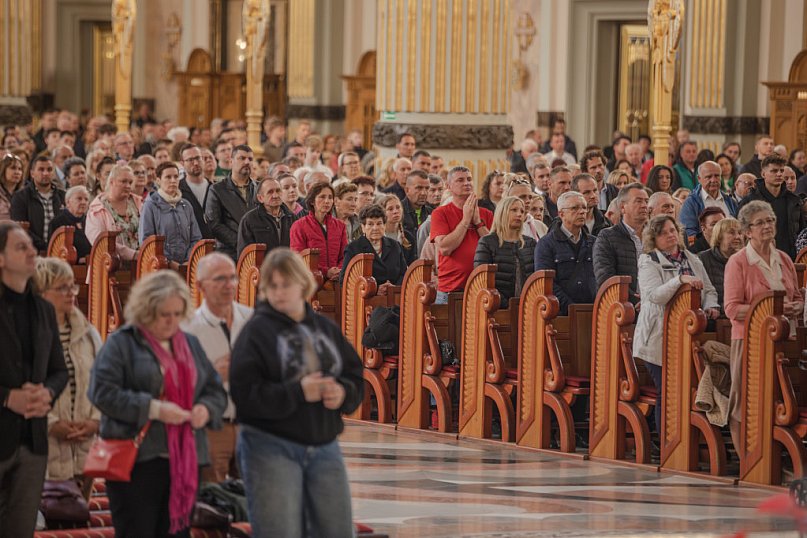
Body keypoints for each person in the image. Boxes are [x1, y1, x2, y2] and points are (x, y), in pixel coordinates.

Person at [230, 248, 364, 538]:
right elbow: (245, 395)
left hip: (324, 443)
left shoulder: (324, 327)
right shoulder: (256, 332)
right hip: (270, 446)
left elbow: (354, 374)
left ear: (303, 285)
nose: (279, 293)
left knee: (337, 530)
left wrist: (343, 393)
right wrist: (298, 391)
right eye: (272, 286)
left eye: (286, 284)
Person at [88, 270, 227, 538]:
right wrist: (154, 409)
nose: (172, 321)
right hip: (138, 460)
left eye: (178, 314)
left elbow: (214, 391)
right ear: (146, 308)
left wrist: (206, 409)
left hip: (184, 458)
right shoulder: (123, 343)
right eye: (165, 315)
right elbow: (101, 392)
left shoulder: (189, 343)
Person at [0, 222, 67, 537]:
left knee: (20, 530)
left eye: (31, 246)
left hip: (32, 440)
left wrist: (47, 393)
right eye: (21, 247)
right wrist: (7, 397)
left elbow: (58, 371)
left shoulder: (42, 309)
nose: (32, 252)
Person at [724, 201, 803, 450]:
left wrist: (797, 307)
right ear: (747, 231)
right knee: (745, 400)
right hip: (750, 341)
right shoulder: (738, 262)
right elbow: (733, 309)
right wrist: (774, 309)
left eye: (770, 221)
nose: (767, 226)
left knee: (781, 399)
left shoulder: (784, 259)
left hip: (785, 340)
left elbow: (798, 298)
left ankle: (774, 455)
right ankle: (748, 457)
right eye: (760, 222)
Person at [633, 215, 720, 435]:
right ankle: (667, 440)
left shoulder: (691, 258)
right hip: (657, 337)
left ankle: (687, 436)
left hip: (688, 334)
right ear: (654, 238)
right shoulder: (648, 260)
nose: (671, 235)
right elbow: (654, 296)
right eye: (664, 232)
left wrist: (711, 306)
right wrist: (679, 280)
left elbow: (708, 289)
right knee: (668, 388)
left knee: (689, 387)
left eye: (673, 230)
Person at [182, 253, 253, 483]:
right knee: (213, 506)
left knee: (255, 506)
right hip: (212, 428)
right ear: (201, 285)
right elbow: (177, 383)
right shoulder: (188, 328)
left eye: (233, 278)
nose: (229, 285)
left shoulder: (253, 320)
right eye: (220, 279)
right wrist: (213, 374)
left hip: (251, 428)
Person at [35, 257, 101, 494]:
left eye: (72, 286)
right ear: (41, 293)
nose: (70, 293)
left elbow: (103, 381)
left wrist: (95, 421)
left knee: (80, 522)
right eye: (62, 287)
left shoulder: (88, 333)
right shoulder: (28, 336)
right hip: (45, 447)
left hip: (84, 446)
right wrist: (52, 424)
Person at [430, 166, 494, 302]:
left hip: (481, 289)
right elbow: (445, 248)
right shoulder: (440, 213)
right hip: (450, 290)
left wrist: (478, 223)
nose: (467, 183)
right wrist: (466, 220)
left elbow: (495, 248)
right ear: (449, 186)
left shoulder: (486, 214)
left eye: (469, 179)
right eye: (460, 180)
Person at [533, 191, 597, 314]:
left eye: (584, 207)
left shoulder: (594, 243)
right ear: (561, 214)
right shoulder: (546, 244)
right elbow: (546, 283)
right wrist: (571, 308)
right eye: (575, 208)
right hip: (560, 314)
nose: (582, 211)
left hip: (593, 312)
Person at [473, 196, 536, 306]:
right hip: (496, 307)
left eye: (522, 211)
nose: (519, 214)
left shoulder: (530, 243)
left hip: (527, 307)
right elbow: (482, 280)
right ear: (502, 212)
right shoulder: (487, 242)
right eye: (514, 210)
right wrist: (506, 305)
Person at [738, 154, 804, 259]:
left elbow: (802, 232)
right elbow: (741, 233)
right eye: (774, 171)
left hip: (789, 259)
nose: (779, 174)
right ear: (763, 174)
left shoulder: (793, 201)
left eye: (781, 171)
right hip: (757, 258)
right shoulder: (749, 201)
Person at [593, 183, 649, 304]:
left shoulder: (656, 237)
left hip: (654, 306)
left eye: (646, 201)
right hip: (621, 307)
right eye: (638, 201)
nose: (644, 205)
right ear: (623, 207)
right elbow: (606, 279)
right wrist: (635, 300)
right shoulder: (607, 237)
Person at [140, 162, 202, 267]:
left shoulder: (186, 205)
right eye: (168, 177)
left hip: (187, 265)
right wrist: (169, 262)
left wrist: (189, 260)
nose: (173, 180)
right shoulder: (150, 205)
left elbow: (196, 237)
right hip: (160, 266)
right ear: (158, 180)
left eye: (176, 177)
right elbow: (147, 241)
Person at [205, 144, 258, 260]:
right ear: (231, 161)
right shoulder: (217, 189)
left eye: (250, 159)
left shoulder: (259, 188)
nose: (247, 162)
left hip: (257, 250)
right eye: (242, 158)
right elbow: (215, 225)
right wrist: (242, 243)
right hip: (229, 253)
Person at [340, 204, 408, 289]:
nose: (375, 228)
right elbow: (345, 281)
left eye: (379, 223)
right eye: (370, 224)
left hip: (393, 297)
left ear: (384, 225)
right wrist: (374, 290)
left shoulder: (395, 245)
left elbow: (404, 274)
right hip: (365, 300)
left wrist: (393, 288)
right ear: (363, 227)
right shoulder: (353, 249)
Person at [289, 182, 346, 281]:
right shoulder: (299, 225)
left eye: (330, 197)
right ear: (312, 201)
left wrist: (338, 270)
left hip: (337, 280)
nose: (327, 201)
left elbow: (344, 255)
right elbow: (298, 257)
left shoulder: (340, 226)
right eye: (322, 197)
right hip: (309, 280)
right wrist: (325, 272)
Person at [85, 163, 142, 261]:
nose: (128, 186)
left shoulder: (138, 203)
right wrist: (132, 255)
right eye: (123, 181)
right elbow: (99, 242)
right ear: (111, 182)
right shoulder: (97, 209)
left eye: (130, 182)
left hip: (141, 263)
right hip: (109, 265)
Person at [11, 155, 66, 251]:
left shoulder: (63, 196)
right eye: (41, 169)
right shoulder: (20, 197)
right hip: (31, 251)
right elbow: (20, 228)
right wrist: (45, 247)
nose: (45, 173)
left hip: (60, 251)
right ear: (32, 173)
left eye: (49, 170)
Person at [679, 160, 738, 241]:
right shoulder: (691, 203)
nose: (713, 180)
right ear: (699, 179)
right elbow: (689, 233)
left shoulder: (730, 201)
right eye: (708, 177)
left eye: (717, 176)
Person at [237, 177, 295, 259]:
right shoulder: (249, 220)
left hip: (288, 268)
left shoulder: (292, 218)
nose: (275, 195)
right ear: (260, 198)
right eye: (270, 192)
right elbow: (245, 255)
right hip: (262, 270)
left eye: (278, 191)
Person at [698, 217, 743, 307]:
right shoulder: (703, 259)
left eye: (740, 233)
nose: (738, 237)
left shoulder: (746, 259)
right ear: (719, 236)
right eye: (731, 232)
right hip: (715, 314)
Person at [179, 144, 213, 240]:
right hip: (191, 246)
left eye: (198, 158)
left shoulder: (214, 188)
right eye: (190, 160)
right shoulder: (178, 190)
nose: (196, 163)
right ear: (182, 163)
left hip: (215, 245)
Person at [50, 185, 93, 261]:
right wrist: (78, 259)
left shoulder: (90, 221)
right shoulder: (58, 222)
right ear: (68, 202)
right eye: (79, 199)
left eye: (86, 199)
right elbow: (55, 252)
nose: (83, 202)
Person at [401, 169, 432, 239]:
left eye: (427, 188)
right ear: (407, 190)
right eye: (419, 188)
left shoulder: (432, 213)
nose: (424, 193)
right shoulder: (397, 213)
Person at [0, 153, 24, 221]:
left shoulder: (25, 194)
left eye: (20, 169)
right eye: (13, 168)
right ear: (3, 170)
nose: (17, 172)